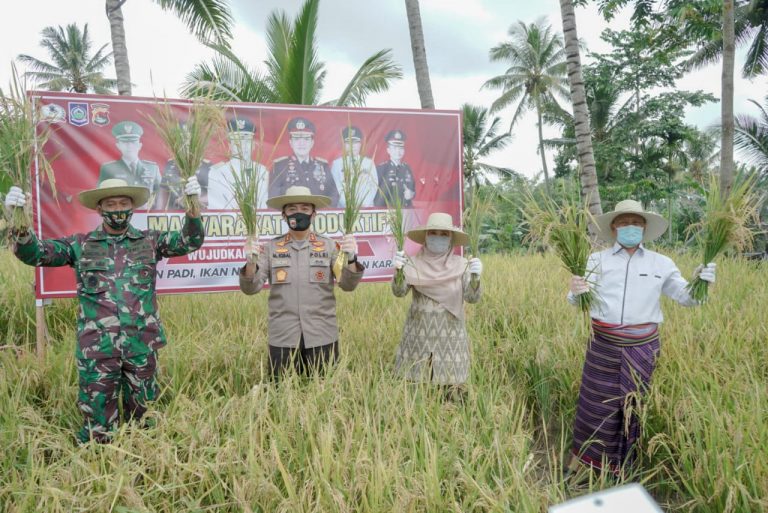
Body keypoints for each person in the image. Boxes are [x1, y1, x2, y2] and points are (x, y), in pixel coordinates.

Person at [5, 177, 204, 444]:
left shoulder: (150, 241)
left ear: (132, 207)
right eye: (111, 204)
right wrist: (18, 224)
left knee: (145, 420)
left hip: (141, 347)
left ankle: (144, 460)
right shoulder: (81, 245)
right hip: (98, 351)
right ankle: (98, 461)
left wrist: (193, 210)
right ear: (99, 209)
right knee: (97, 426)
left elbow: (190, 241)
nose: (118, 209)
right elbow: (35, 253)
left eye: (123, 203)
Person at [566, 199, 716, 477]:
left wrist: (701, 282)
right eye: (624, 222)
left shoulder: (662, 263)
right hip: (603, 346)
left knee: (633, 406)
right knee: (595, 405)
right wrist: (575, 291)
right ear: (614, 227)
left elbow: (688, 299)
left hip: (642, 349)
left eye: (636, 222)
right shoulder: (596, 260)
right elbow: (576, 300)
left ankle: (625, 467)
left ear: (645, 227)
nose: (630, 227)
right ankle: (584, 464)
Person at [239, 185, 363, 378]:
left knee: (325, 390)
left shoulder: (330, 247)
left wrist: (352, 258)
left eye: (305, 208)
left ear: (313, 214)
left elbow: (348, 285)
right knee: (281, 391)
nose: (299, 213)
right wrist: (250, 262)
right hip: (283, 337)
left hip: (322, 335)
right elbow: (250, 288)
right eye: (292, 209)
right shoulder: (270, 248)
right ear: (284, 215)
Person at [391, 212, 482, 392]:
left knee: (452, 395)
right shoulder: (412, 263)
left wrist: (476, 278)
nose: (437, 237)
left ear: (450, 239)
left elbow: (472, 298)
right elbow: (399, 292)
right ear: (426, 236)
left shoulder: (462, 265)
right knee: (416, 395)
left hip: (451, 343)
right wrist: (398, 271)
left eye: (443, 234)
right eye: (433, 233)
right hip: (417, 340)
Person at [269, 117, 339, 206]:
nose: (301, 143)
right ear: (290, 142)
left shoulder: (323, 166)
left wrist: (321, 212)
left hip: (318, 213)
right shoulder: (279, 166)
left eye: (306, 139)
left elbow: (334, 195)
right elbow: (273, 198)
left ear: (312, 142)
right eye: (297, 139)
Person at [207, 117, 268, 210]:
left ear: (253, 145)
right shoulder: (218, 172)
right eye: (237, 142)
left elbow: (264, 205)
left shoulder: (262, 171)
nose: (243, 147)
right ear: (230, 146)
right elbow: (214, 207)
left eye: (247, 141)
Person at [98, 121, 161, 207]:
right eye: (125, 143)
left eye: (133, 142)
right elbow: (100, 195)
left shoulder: (152, 168)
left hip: (147, 213)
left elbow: (161, 194)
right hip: (119, 212)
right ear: (118, 145)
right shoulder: (108, 168)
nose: (129, 146)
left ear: (139, 145)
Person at [330, 126, 377, 207]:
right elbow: (337, 188)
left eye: (355, 142)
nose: (352, 146)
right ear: (344, 145)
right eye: (349, 142)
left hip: (366, 207)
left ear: (360, 144)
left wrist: (364, 204)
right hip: (344, 208)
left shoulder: (369, 163)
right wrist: (348, 204)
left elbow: (373, 186)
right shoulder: (337, 164)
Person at [373, 129, 416, 208]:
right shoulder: (380, 169)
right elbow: (376, 196)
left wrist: (411, 194)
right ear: (388, 150)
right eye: (395, 148)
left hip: (406, 210)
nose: (398, 152)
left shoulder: (407, 168)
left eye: (400, 148)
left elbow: (413, 189)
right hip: (388, 211)